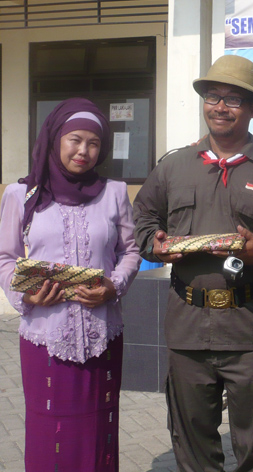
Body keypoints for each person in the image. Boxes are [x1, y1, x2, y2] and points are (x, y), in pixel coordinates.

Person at [132, 55, 253, 472]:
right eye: (213, 97)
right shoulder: (173, 166)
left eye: (233, 99)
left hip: (250, 328)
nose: (220, 106)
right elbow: (142, 218)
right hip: (187, 326)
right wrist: (153, 245)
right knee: (191, 443)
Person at [0, 98, 141, 471]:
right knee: (50, 433)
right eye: (75, 140)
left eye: (94, 143)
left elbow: (131, 251)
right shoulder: (22, 194)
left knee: (100, 428)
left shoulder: (113, 192)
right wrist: (25, 294)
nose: (84, 151)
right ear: (54, 139)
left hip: (102, 336)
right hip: (46, 336)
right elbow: (5, 257)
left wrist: (114, 286)